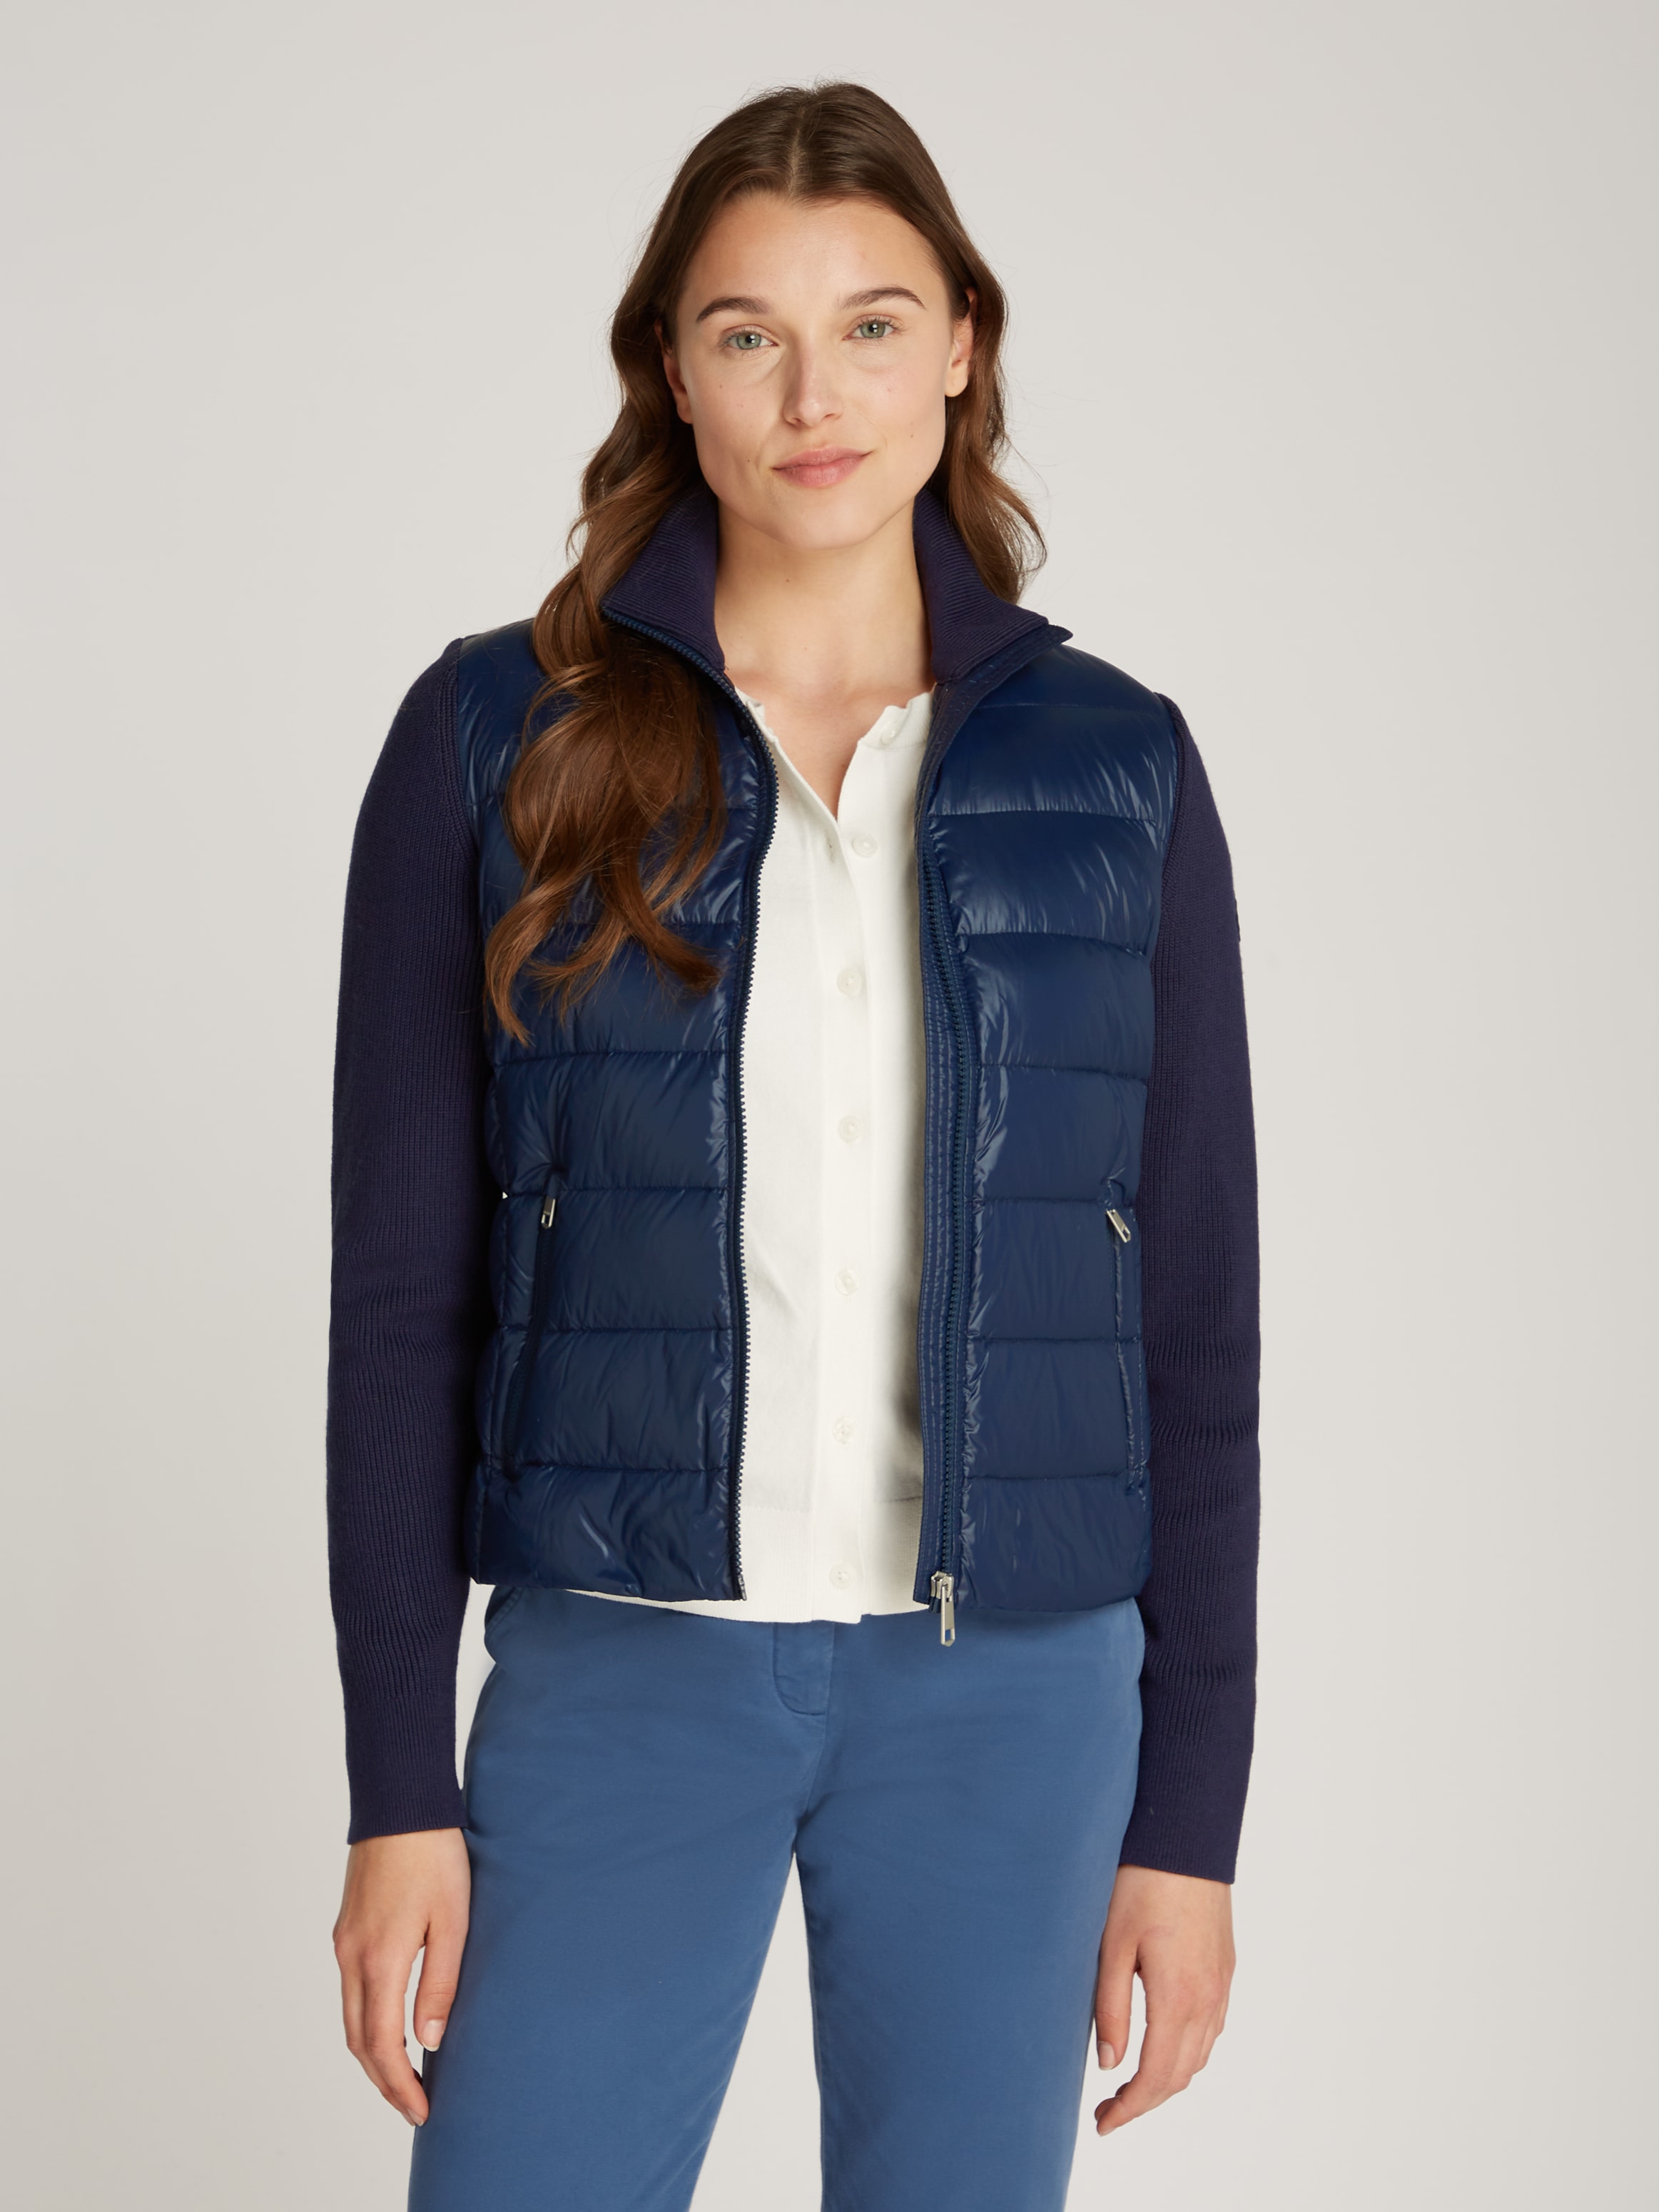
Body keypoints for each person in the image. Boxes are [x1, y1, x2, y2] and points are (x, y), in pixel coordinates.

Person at [327, 80, 1259, 2212]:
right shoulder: (497, 736)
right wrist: (398, 1786)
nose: (812, 395)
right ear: (674, 368)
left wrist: (1188, 1818)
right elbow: (399, 1301)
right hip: (621, 1662)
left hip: (1014, 1700)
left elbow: (1196, 1321)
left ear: (962, 347)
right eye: (747, 332)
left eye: (871, 324)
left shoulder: (1120, 770)